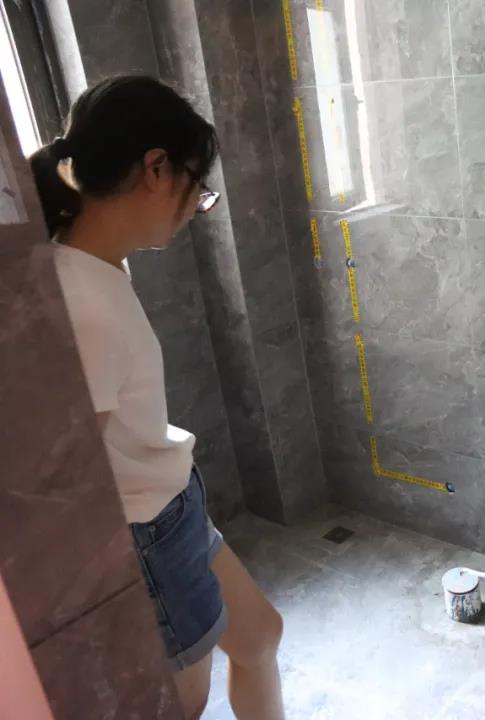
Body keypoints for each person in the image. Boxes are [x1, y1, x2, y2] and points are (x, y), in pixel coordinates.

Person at [31, 76, 285, 720]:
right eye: (198, 186)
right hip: (148, 533)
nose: (197, 204)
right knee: (182, 704)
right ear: (156, 168)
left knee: (260, 636)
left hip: (172, 504)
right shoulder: (83, 302)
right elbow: (71, 475)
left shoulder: (94, 265)